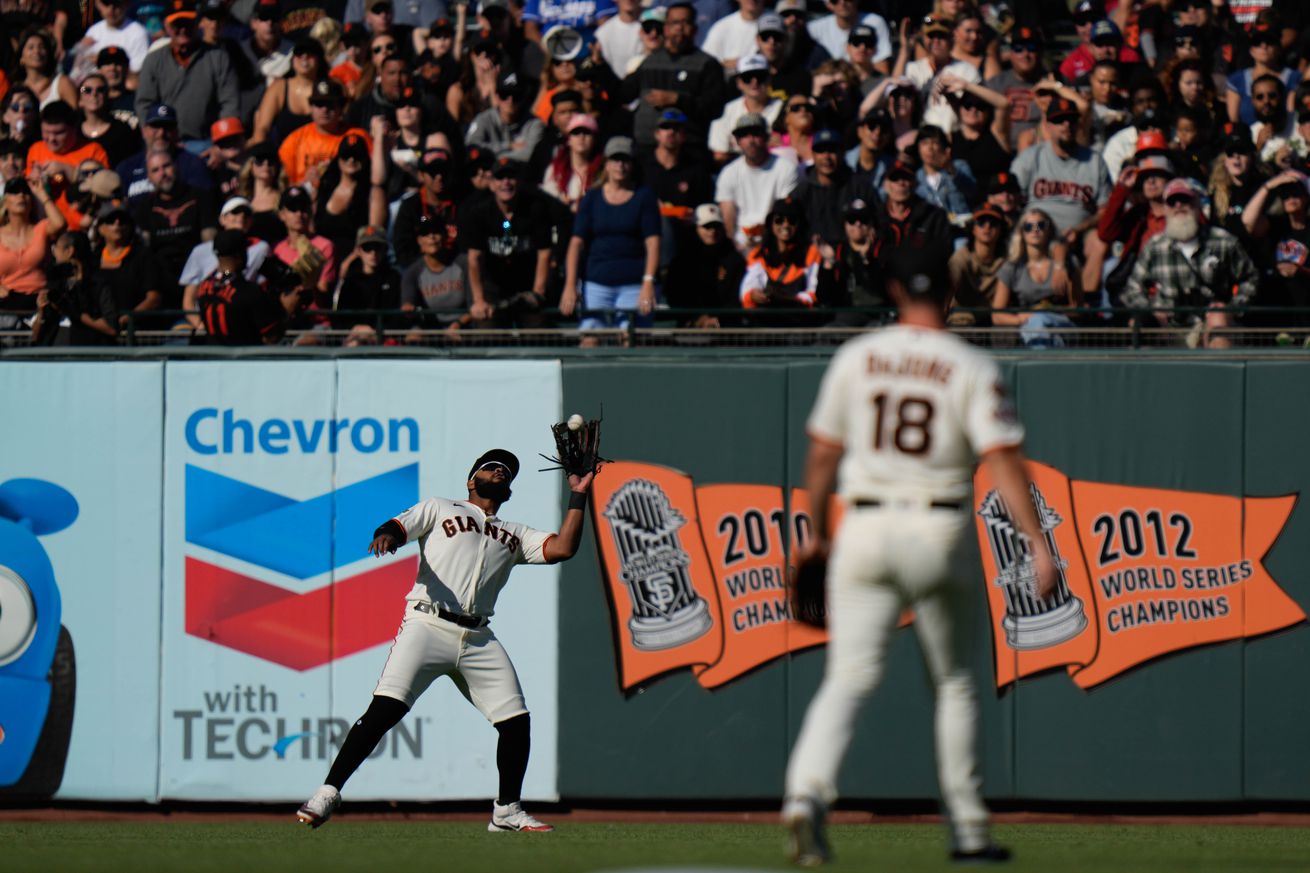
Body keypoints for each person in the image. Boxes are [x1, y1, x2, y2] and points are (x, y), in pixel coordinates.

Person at [781, 270, 1058, 868]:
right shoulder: (968, 363)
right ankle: (969, 830)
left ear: (898, 293)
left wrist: (815, 537)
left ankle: (805, 795)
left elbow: (823, 452)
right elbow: (1002, 458)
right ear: (952, 299)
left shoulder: (859, 356)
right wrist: (1037, 543)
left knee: (849, 677)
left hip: (866, 527)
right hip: (938, 526)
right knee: (955, 682)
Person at [295, 449, 596, 833]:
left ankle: (506, 811)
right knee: (384, 711)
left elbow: (564, 548)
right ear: (472, 480)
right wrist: (387, 534)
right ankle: (327, 792)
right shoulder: (441, 508)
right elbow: (399, 525)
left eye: (506, 471)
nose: (500, 471)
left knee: (516, 722)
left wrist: (579, 494)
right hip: (428, 623)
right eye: (491, 467)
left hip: (478, 637)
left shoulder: (515, 533)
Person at [1122, 178, 1258, 348]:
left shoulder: (1222, 241)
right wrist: (1151, 312)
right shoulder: (1155, 246)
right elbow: (1132, 289)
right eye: (1172, 202)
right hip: (1169, 326)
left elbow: (1250, 278)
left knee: (1219, 320)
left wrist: (1232, 308)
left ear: (1197, 204)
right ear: (1165, 209)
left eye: (1185, 200)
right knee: (1137, 323)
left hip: (1209, 323)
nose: (1179, 206)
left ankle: (1221, 370)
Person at [1009, 98, 1112, 297]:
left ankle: (1086, 305)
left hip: (1079, 234)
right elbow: (1010, 197)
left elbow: (1104, 210)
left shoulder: (1094, 161)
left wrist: (1080, 228)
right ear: (1048, 125)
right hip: (1036, 230)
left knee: (1099, 242)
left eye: (1071, 120)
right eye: (1060, 120)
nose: (1066, 125)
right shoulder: (1032, 156)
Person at [560, 136, 660, 332]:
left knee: (630, 338)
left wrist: (648, 283)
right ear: (606, 164)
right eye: (615, 159)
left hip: (633, 283)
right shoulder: (592, 198)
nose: (620, 165)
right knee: (590, 336)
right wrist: (570, 285)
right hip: (596, 282)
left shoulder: (644, 197)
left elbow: (653, 242)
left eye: (625, 160)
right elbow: (576, 243)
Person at [458, 158, 553, 327]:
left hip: (526, 287)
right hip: (493, 290)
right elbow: (474, 258)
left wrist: (538, 292)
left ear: (519, 181)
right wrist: (479, 300)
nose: (506, 183)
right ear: (492, 184)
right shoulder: (479, 212)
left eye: (510, 177)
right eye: (500, 178)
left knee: (538, 329)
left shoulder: (535, 209)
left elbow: (544, 252)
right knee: (486, 330)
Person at [135, 0, 240, 148]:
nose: (183, 29)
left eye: (188, 23)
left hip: (207, 143)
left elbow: (230, 104)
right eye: (177, 24)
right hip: (163, 142)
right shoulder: (154, 60)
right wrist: (156, 139)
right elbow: (144, 104)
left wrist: (221, 143)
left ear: (197, 23)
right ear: (166, 26)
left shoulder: (218, 57)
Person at [624, 1, 726, 153]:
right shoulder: (650, 62)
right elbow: (623, 93)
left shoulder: (708, 64)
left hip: (689, 150)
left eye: (685, 23)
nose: (679, 28)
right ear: (665, 28)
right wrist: (599, 66)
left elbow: (714, 108)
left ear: (695, 29)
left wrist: (677, 100)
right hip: (647, 150)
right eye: (674, 23)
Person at [993, 208, 1080, 347]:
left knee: (1041, 321)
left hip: (1061, 323)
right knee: (1038, 323)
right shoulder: (1011, 267)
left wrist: (1048, 310)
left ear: (1049, 229)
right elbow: (996, 315)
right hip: (1027, 324)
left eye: (1041, 225)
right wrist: (1023, 318)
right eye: (1028, 227)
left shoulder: (1068, 263)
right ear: (1021, 233)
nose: (1035, 230)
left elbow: (1077, 309)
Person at [180, 196, 271, 330]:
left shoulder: (260, 248)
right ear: (222, 219)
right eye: (234, 212)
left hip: (241, 321)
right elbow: (188, 300)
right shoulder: (200, 251)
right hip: (207, 321)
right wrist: (201, 326)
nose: (241, 217)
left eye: (246, 214)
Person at [715, 112, 799, 251]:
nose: (751, 140)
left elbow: (785, 211)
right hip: (741, 243)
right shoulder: (729, 173)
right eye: (744, 135)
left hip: (777, 240)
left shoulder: (785, 168)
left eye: (756, 134)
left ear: (766, 137)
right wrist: (734, 247)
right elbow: (728, 216)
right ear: (737, 141)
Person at [195, 228, 283, 344]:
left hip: (212, 357)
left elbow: (225, 274)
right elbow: (272, 337)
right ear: (240, 255)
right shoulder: (249, 291)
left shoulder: (203, 286)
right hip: (243, 358)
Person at [662, 203, 744, 327]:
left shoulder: (734, 260)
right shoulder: (682, 261)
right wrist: (698, 318)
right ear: (695, 228)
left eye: (716, 226)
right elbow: (675, 295)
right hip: (691, 327)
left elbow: (737, 297)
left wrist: (719, 320)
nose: (712, 231)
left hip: (727, 329)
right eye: (706, 226)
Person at [279, 80, 372, 187]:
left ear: (341, 108)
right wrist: (305, 183)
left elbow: (371, 174)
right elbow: (283, 184)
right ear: (311, 107)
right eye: (319, 104)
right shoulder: (295, 139)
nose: (325, 109)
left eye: (330, 105)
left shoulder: (358, 137)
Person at [738, 196, 820, 317]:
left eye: (792, 220)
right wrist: (754, 295)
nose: (785, 225)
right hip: (766, 319)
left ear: (800, 224)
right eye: (779, 220)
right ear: (771, 224)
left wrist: (786, 300)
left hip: (799, 319)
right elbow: (747, 291)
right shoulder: (758, 254)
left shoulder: (812, 253)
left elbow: (813, 294)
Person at [817, 197, 888, 327]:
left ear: (872, 224)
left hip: (878, 314)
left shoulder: (883, 250)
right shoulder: (837, 251)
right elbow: (824, 296)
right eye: (851, 220)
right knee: (829, 332)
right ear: (844, 225)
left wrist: (867, 259)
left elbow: (882, 290)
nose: (857, 225)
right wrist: (828, 264)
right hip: (845, 315)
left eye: (864, 220)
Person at [0, 176, 67, 312]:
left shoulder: (41, 229)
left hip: (40, 301)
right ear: (5, 201)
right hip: (5, 303)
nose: (21, 195)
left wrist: (42, 194)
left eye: (26, 192)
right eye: (14, 192)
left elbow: (60, 224)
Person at [707, 54, 782, 163]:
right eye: (747, 77)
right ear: (739, 83)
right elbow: (719, 155)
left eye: (760, 76)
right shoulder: (726, 111)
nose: (754, 82)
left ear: (769, 80)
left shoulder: (783, 108)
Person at [947, 204, 1009, 326]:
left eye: (993, 223)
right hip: (962, 320)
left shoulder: (1007, 259)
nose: (987, 227)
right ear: (973, 228)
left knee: (1006, 333)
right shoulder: (962, 257)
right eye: (981, 222)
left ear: (1001, 229)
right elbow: (948, 285)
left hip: (995, 320)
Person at [540, 113, 601, 212]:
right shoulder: (555, 169)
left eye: (587, 132)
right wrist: (560, 201)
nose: (581, 136)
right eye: (576, 132)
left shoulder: (602, 171)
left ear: (594, 138)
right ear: (569, 139)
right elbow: (547, 199)